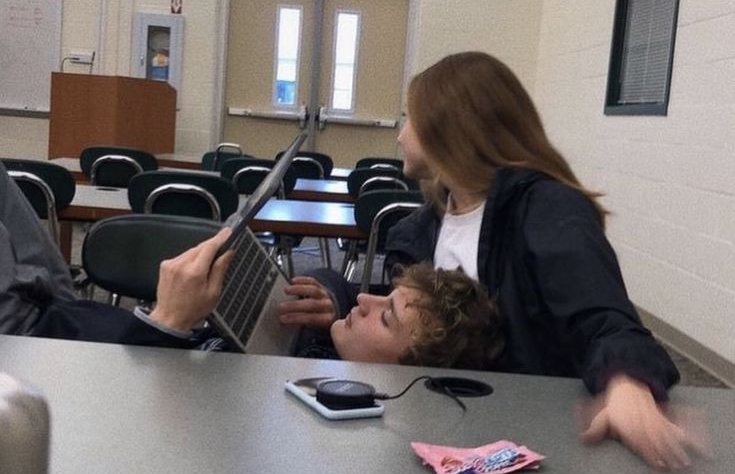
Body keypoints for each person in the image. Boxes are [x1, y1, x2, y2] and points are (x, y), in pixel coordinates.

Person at [279, 51, 707, 471]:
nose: (400, 134)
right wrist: (338, 297)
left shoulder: (547, 210)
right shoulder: (424, 226)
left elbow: (604, 318)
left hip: (534, 441)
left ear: (449, 128)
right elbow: (413, 318)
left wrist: (627, 382)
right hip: (449, 430)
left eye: (409, 119)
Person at [0, 163, 501, 367]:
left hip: (32, 347)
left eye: (385, 315)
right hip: (63, 306)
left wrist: (168, 324)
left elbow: (136, 417)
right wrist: (333, 296)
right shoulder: (332, 346)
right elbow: (346, 290)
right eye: (382, 296)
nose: (367, 300)